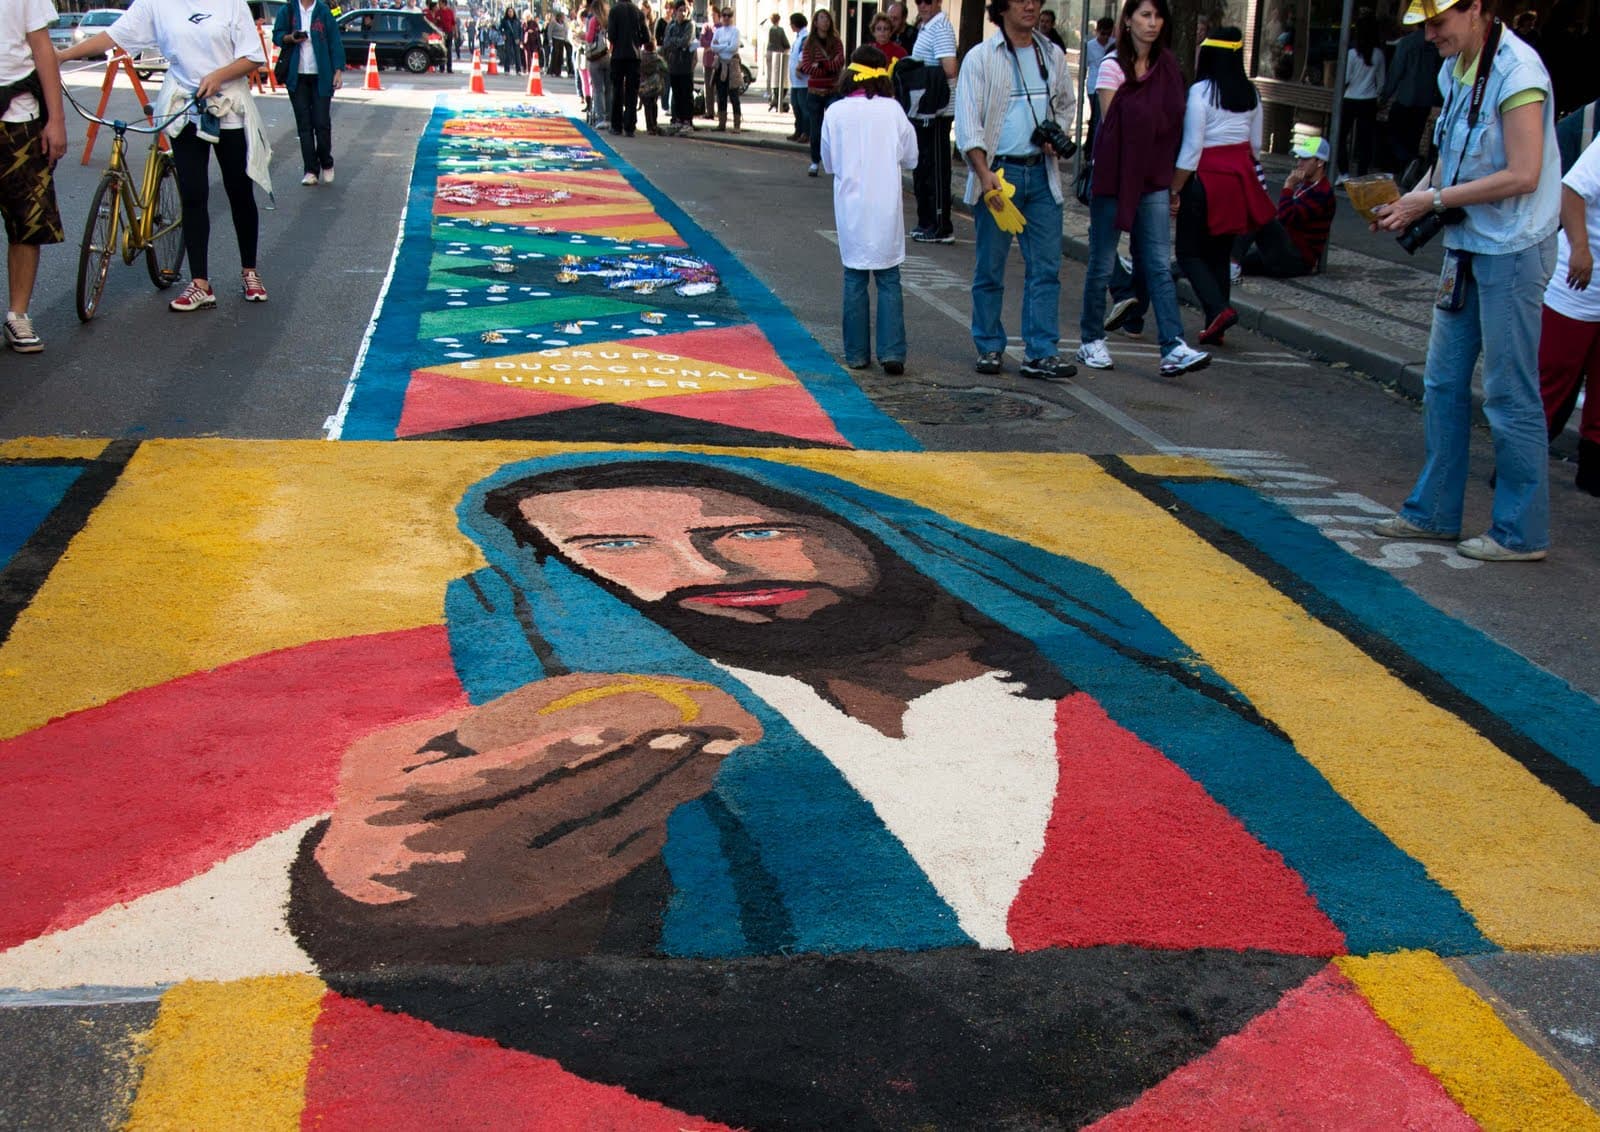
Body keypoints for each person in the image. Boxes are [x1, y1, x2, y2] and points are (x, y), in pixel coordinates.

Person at [1373, 0, 1559, 561]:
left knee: (1508, 391)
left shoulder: (1519, 72)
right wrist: (1410, 200)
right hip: (1468, 244)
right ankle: (1433, 514)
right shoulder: (1456, 69)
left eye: (1438, 23)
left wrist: (1429, 199)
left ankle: (1520, 533)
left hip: (1513, 249)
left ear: (1476, 9)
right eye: (1426, 25)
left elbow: (1523, 174)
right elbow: (1450, 158)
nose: (1430, 35)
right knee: (1443, 384)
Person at [61, 0, 273, 313]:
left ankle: (250, 272)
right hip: (183, 107)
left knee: (239, 191)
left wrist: (218, 75)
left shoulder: (231, 4)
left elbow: (253, 57)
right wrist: (61, 56)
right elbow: (114, 37)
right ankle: (200, 283)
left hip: (229, 108)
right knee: (192, 194)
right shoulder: (156, 3)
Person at [1076, 0, 1209, 376]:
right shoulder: (1111, 66)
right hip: (1114, 176)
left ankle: (1172, 346)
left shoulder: (1167, 67)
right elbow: (1113, 127)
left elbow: (1173, 120)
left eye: (1158, 16)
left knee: (1156, 263)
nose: (1152, 24)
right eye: (1145, 15)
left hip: (1153, 177)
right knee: (1102, 262)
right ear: (1129, 20)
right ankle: (1090, 339)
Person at [955, 0, 1078, 379]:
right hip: (998, 174)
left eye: (1036, 0)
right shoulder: (981, 58)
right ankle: (990, 346)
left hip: (1042, 173)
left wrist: (1057, 135)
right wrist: (982, 171)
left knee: (1045, 268)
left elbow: (1066, 104)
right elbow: (968, 119)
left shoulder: (1051, 54)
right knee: (990, 267)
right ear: (1002, 7)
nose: (1031, 6)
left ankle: (1040, 352)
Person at [1169, 28, 1274, 346]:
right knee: (1219, 252)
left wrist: (1175, 188)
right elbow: (1255, 146)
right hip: (1237, 180)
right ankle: (1217, 325)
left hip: (1205, 180)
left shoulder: (1201, 92)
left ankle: (1218, 309)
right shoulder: (1251, 93)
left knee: (1188, 252)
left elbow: (1192, 148)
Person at [822, 45, 917, 374]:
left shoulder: (835, 112)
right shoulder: (893, 110)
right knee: (889, 277)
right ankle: (892, 352)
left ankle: (857, 354)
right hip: (885, 205)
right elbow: (912, 156)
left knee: (855, 277)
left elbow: (829, 162)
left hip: (851, 206)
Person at [0, 0, 65, 354]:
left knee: (27, 220)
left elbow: (42, 47)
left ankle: (18, 314)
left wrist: (56, 119)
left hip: (18, 114)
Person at [1538, 133, 1600, 494]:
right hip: (1577, 283)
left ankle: (1592, 472)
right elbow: (1571, 191)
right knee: (1553, 378)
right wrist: (1580, 247)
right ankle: (1520, 465)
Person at [1233, 133, 1336, 278]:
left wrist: (1288, 186)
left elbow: (1285, 216)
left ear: (1320, 162)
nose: (1299, 163)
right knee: (1234, 262)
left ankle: (1231, 264)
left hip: (1297, 260)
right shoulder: (1306, 186)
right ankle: (1225, 263)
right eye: (1299, 158)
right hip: (1285, 250)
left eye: (1305, 159)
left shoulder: (1322, 193)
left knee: (1260, 213)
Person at [273, 0, 344, 188]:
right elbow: (277, 36)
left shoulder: (323, 11)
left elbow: (335, 41)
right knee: (304, 125)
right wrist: (290, 38)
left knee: (321, 123)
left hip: (321, 75)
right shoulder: (288, 10)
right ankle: (310, 170)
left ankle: (326, 161)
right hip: (297, 77)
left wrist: (337, 70)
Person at [907, 0, 957, 242]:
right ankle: (926, 221)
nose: (923, 5)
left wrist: (917, 70)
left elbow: (949, 67)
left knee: (936, 169)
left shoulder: (941, 28)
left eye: (928, 1)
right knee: (924, 167)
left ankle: (940, 226)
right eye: (919, 1)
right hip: (924, 109)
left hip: (938, 110)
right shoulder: (926, 26)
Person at [1381, 25, 1443, 176]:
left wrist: (1385, 95)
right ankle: (1407, 169)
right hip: (1425, 99)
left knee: (1394, 133)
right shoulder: (1436, 45)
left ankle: (1406, 161)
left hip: (1405, 97)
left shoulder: (1407, 43)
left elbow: (1396, 70)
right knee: (1414, 137)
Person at [1338, 16, 1387, 181]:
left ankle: (1344, 172)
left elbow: (1345, 79)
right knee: (1364, 139)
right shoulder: (1378, 54)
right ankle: (1361, 174)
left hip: (1350, 97)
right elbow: (1381, 82)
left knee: (1341, 135)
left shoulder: (1352, 54)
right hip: (1369, 100)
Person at [799, 8, 844, 174]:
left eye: (827, 18)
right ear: (815, 22)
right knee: (816, 129)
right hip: (815, 91)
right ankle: (815, 161)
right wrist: (825, 68)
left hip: (833, 90)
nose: (825, 21)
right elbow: (807, 67)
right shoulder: (809, 43)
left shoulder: (836, 42)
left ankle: (834, 162)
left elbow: (839, 62)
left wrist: (822, 65)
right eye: (822, 18)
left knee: (834, 128)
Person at [607, 0, 647, 136]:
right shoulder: (639, 13)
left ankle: (616, 125)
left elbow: (611, 35)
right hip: (634, 56)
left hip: (618, 55)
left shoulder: (614, 11)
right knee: (632, 91)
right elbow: (646, 37)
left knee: (617, 90)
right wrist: (636, 41)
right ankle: (630, 126)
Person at [662, 1, 697, 131]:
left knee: (686, 93)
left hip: (686, 65)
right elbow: (666, 42)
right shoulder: (671, 25)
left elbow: (685, 41)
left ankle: (687, 120)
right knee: (676, 93)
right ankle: (677, 119)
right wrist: (676, 42)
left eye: (685, 10)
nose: (682, 13)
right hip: (673, 64)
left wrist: (674, 41)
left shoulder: (690, 25)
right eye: (680, 10)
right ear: (675, 11)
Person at [1083, 16, 1114, 152]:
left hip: (1109, 86)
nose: (1105, 37)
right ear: (1097, 31)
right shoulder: (1090, 46)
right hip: (1093, 86)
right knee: (1096, 118)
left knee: (1102, 118)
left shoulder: (1114, 45)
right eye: (1102, 34)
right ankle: (1092, 149)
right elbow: (1084, 66)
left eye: (1108, 34)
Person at [710, 5, 742, 132]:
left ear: (732, 17)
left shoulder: (735, 31)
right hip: (720, 64)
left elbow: (733, 47)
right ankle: (721, 123)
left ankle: (736, 125)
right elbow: (713, 47)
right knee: (721, 95)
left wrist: (720, 46)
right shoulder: (718, 31)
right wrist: (725, 45)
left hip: (732, 65)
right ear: (721, 17)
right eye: (724, 15)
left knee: (734, 95)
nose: (726, 18)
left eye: (729, 15)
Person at [585, 0, 611, 128]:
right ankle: (609, 117)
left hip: (596, 57)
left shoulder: (594, 20)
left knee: (598, 89)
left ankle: (601, 118)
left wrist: (582, 35)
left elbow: (589, 38)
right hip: (608, 56)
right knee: (609, 89)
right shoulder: (608, 20)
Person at [787, 11, 809, 141]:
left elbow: (803, 53)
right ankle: (798, 130)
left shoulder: (805, 37)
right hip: (796, 81)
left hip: (802, 80)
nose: (790, 25)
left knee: (803, 107)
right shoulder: (799, 37)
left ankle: (805, 132)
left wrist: (799, 67)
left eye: (791, 23)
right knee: (796, 105)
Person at [639, 38, 667, 133]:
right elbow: (666, 68)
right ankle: (654, 124)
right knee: (654, 104)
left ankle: (649, 126)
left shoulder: (640, 57)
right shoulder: (657, 58)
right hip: (655, 85)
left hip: (643, 85)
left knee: (647, 106)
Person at [766, 11, 790, 110]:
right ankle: (776, 97)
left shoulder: (769, 29)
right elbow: (786, 44)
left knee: (770, 75)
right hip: (779, 54)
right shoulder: (780, 30)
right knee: (778, 77)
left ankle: (770, 94)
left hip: (769, 52)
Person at [434, 0, 456, 71]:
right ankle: (441, 68)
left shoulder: (450, 12)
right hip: (440, 34)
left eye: (440, 4)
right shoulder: (438, 12)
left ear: (444, 4)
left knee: (448, 51)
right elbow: (435, 23)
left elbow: (453, 23)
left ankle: (449, 68)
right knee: (441, 51)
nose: (438, 5)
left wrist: (456, 33)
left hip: (449, 33)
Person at [547, 9, 570, 76]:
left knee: (560, 56)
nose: (563, 18)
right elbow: (550, 31)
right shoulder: (553, 22)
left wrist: (566, 39)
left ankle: (558, 71)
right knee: (555, 55)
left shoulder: (564, 23)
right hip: (555, 39)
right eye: (562, 16)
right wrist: (550, 40)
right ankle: (553, 71)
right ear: (559, 17)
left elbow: (566, 31)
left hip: (562, 40)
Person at [500, 4, 523, 72]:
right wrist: (503, 34)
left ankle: (518, 70)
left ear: (514, 12)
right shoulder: (504, 20)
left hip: (516, 39)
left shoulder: (517, 21)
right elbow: (500, 29)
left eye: (511, 11)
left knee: (517, 54)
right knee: (507, 54)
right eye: (509, 11)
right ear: (507, 12)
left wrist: (520, 39)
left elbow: (520, 31)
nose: (510, 13)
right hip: (508, 38)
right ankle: (507, 69)